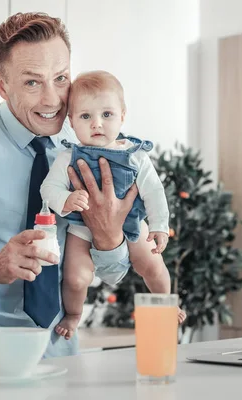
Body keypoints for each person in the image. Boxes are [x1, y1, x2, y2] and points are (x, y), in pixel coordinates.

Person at [0, 12, 135, 357]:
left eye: (60, 78)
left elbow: (114, 275)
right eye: (33, 82)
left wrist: (109, 238)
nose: (52, 100)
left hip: (61, 355)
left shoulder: (86, 144)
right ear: (2, 84)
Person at [41, 71, 186, 339]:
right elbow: (48, 189)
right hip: (81, 227)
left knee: (153, 266)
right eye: (85, 116)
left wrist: (159, 226)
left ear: (122, 115)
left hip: (132, 221)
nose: (97, 123)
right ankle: (73, 315)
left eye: (106, 114)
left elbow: (154, 191)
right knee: (75, 278)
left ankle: (166, 302)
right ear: (71, 121)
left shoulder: (135, 155)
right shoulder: (67, 156)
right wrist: (66, 200)